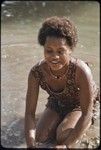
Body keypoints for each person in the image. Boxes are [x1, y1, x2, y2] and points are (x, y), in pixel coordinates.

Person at [25, 16, 99, 148]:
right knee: (40, 137)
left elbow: (86, 113)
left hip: (80, 105)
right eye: (49, 51)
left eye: (61, 51)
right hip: (57, 102)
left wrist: (66, 145)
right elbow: (29, 113)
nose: (54, 57)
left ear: (70, 49)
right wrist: (30, 143)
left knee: (63, 136)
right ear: (43, 48)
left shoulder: (81, 71)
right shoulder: (36, 73)